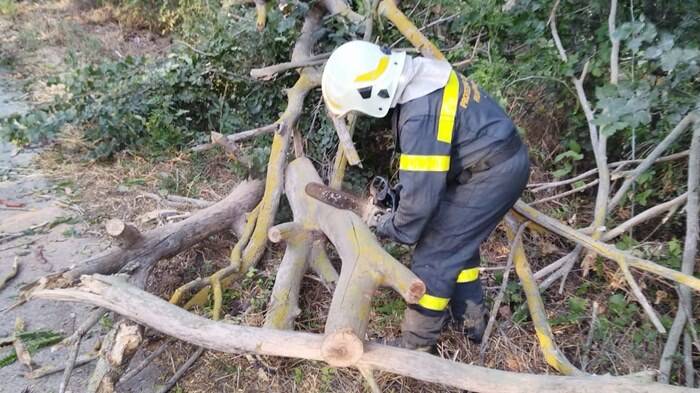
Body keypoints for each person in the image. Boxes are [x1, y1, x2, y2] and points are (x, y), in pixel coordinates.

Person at [321, 41, 530, 351]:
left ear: (368, 93)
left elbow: (419, 207)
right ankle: (472, 325)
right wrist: (397, 199)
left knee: (434, 252)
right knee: (458, 245)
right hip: (492, 163)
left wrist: (389, 224)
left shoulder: (419, 116)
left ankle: (416, 346)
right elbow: (427, 172)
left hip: (492, 174)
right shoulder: (419, 78)